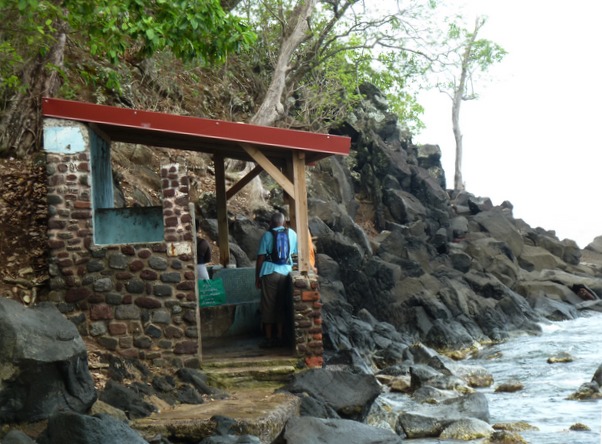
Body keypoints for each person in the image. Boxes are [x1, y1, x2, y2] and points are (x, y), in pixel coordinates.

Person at [255, 212, 298, 348]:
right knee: (281, 304)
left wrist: (257, 277)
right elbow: (295, 254)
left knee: (268, 304)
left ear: (271, 223)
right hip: (287, 273)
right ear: (284, 222)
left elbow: (261, 258)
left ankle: (269, 338)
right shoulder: (291, 233)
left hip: (270, 272)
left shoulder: (267, 235)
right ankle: (279, 336)